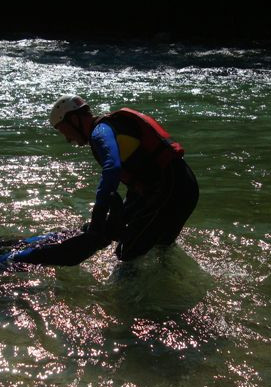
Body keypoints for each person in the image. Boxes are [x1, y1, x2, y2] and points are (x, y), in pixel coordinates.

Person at [49, 95, 199, 262]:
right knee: (159, 247)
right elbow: (140, 183)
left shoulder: (100, 133)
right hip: (180, 186)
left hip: (172, 189)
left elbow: (112, 168)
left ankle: (127, 288)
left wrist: (98, 214)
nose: (68, 139)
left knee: (127, 252)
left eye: (64, 131)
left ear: (74, 119)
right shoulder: (110, 127)